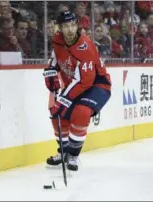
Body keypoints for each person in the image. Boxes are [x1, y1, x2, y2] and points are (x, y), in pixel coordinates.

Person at [43, 11, 111, 171]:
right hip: (76, 85)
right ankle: (64, 152)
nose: (70, 30)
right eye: (66, 26)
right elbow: (55, 59)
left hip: (97, 85)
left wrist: (63, 99)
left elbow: (85, 81)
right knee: (56, 115)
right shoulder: (58, 40)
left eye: (73, 25)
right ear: (60, 28)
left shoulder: (85, 46)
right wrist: (51, 71)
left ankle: (73, 155)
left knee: (81, 112)